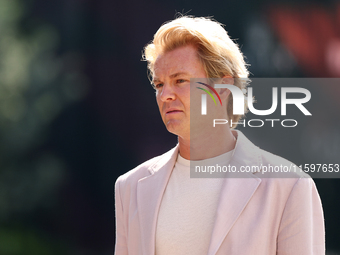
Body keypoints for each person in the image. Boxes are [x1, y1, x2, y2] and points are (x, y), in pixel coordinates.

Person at [114, 16, 325, 255]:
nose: (165, 95)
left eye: (180, 80)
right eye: (159, 85)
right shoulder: (130, 186)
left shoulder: (290, 186)